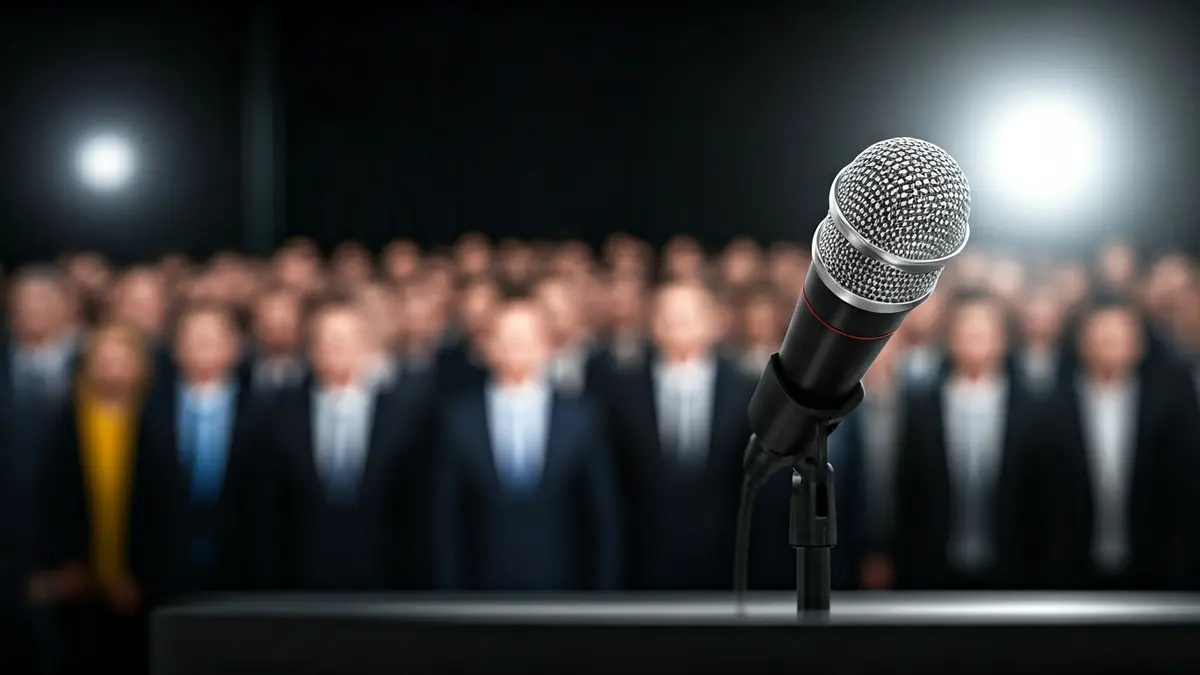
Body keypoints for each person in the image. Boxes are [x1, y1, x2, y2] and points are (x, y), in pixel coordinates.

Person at [432, 297, 622, 590]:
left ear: (548, 344)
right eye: (505, 337)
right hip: (480, 590)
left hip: (563, 588)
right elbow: (444, 520)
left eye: (527, 336)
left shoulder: (583, 418)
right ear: (486, 345)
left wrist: (601, 595)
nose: (516, 345)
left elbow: (603, 517)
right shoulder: (458, 419)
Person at [1036, 298, 1200, 590]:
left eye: (1119, 334)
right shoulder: (1051, 408)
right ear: (1082, 341)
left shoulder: (1168, 408)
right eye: (1100, 334)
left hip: (1156, 572)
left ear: (1138, 343)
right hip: (1069, 573)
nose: (1109, 341)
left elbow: (1185, 493)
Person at [262, 296, 423, 590]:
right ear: (311, 348)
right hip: (302, 579)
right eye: (327, 339)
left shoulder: (401, 415)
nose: (336, 347)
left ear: (367, 345)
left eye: (346, 338)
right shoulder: (282, 414)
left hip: (383, 578)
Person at [605, 280, 756, 590]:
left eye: (690, 314)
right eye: (669, 314)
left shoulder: (746, 390)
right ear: (652, 323)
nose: (679, 322)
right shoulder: (622, 391)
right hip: (644, 560)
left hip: (727, 560)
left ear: (714, 322)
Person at [892, 292, 1042, 589]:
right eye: (966, 329)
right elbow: (905, 491)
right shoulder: (923, 407)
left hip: (1014, 569)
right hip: (934, 569)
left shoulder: (1031, 408)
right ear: (950, 337)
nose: (975, 336)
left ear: (1002, 339)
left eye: (985, 329)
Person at [127, 303, 266, 609]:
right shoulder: (153, 412)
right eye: (193, 338)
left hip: (241, 568)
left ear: (234, 348)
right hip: (168, 567)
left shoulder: (260, 412)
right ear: (176, 348)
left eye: (213, 338)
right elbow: (140, 495)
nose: (202, 346)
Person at [33, 321, 149, 673]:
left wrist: (139, 574)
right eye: (103, 359)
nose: (112, 368)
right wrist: (65, 564)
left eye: (121, 359)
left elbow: (162, 509)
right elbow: (49, 500)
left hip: (138, 585)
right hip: (76, 582)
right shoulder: (63, 422)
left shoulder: (156, 422)